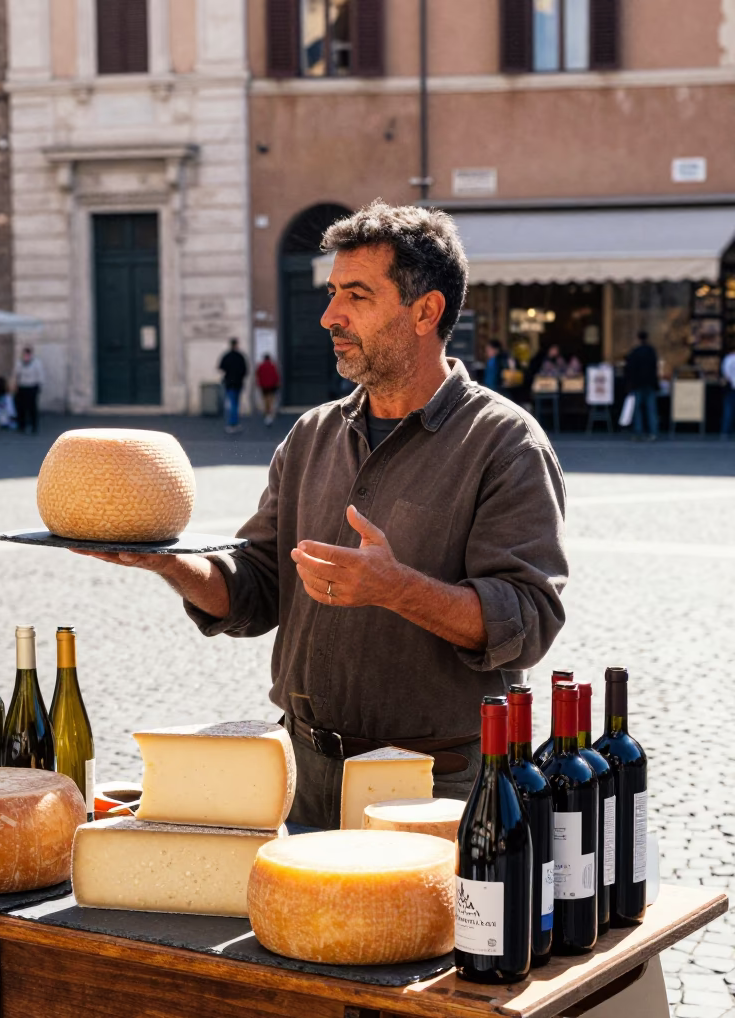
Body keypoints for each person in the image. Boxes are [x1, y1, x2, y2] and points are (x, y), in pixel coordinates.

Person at [79, 200, 567, 830]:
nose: (329, 315)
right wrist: (171, 563)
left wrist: (397, 589)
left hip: (436, 786)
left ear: (426, 311)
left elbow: (527, 620)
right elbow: (256, 585)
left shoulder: (505, 442)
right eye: (332, 291)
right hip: (302, 773)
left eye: (356, 295)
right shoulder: (311, 434)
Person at [624, 331, 659, 441]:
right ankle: (653, 433)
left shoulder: (635, 352)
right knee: (651, 409)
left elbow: (629, 369)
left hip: (637, 384)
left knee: (637, 409)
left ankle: (638, 432)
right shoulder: (651, 351)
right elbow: (655, 367)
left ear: (638, 338)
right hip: (650, 383)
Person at [218, 338, 248, 433]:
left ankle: (232, 423)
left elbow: (220, 367)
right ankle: (234, 423)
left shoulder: (227, 356)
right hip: (238, 383)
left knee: (231, 403)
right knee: (235, 403)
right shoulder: (240, 356)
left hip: (229, 383)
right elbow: (245, 370)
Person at [15, 347, 45, 434]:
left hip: (32, 386)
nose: (26, 356)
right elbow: (17, 374)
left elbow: (40, 374)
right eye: (25, 354)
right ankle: (22, 426)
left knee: (32, 408)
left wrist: (39, 385)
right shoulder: (20, 363)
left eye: (28, 354)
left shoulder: (36, 363)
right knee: (21, 408)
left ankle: (34, 426)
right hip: (22, 386)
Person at [256, 353, 280, 425]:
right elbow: (275, 375)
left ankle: (266, 412)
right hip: (272, 386)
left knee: (265, 400)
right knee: (271, 400)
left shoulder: (260, 366)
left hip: (263, 386)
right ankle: (270, 413)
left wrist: (259, 384)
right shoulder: (272, 366)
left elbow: (258, 375)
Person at [720, 348, 735, 439]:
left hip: (730, 385)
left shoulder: (728, 359)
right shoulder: (729, 358)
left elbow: (725, 373)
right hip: (731, 386)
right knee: (729, 409)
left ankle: (725, 431)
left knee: (728, 410)